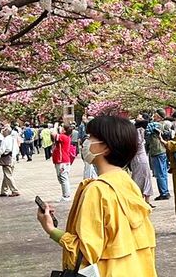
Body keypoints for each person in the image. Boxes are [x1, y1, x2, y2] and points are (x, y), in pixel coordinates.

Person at [37, 115, 157, 276]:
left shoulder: (96, 190)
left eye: (91, 137)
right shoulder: (128, 183)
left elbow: (85, 252)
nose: (86, 142)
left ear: (105, 147)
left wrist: (50, 228)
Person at [145, 110, 171, 201]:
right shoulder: (165, 125)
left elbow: (147, 133)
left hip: (157, 150)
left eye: (155, 116)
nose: (154, 117)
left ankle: (164, 193)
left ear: (159, 117)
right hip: (163, 150)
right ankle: (165, 191)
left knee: (159, 173)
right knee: (163, 172)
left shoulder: (154, 125)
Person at [130, 118, 154, 203]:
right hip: (139, 157)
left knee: (142, 177)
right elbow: (139, 143)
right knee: (142, 177)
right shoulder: (138, 132)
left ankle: (144, 199)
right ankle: (142, 199)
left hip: (139, 157)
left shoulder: (138, 131)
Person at [52, 123, 75, 202]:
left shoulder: (63, 137)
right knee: (62, 178)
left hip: (62, 160)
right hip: (62, 160)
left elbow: (53, 134)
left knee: (63, 178)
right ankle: (65, 194)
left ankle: (66, 195)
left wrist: (55, 126)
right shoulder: (66, 137)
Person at [0, 126, 19, 197]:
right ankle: (4, 190)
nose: (2, 132)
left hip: (6, 158)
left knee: (8, 175)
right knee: (7, 175)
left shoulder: (5, 140)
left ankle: (15, 190)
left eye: (3, 130)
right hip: (12, 158)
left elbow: (2, 150)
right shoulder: (13, 139)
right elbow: (17, 149)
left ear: (6, 131)